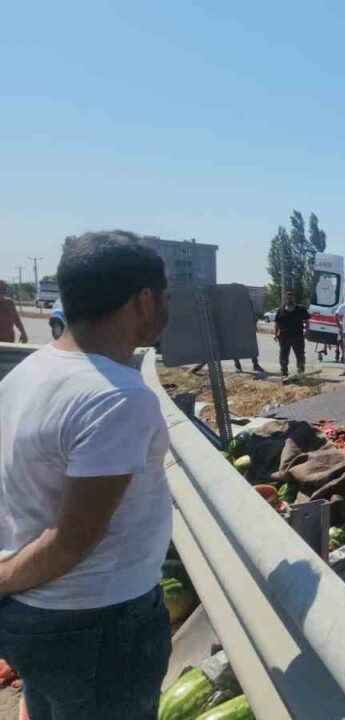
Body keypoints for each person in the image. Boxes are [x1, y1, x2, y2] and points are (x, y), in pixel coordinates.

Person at [0, 233, 173, 719]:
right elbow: (72, 541)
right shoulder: (118, 397)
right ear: (143, 300)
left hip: (35, 620)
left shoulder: (29, 371)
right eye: (165, 296)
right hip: (97, 626)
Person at [273, 290, 310, 376]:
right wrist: (275, 333)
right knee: (283, 355)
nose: (289, 299)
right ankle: (284, 372)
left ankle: (300, 372)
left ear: (294, 298)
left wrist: (307, 331)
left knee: (300, 355)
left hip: (298, 336)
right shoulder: (281, 310)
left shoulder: (301, 309)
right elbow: (277, 322)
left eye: (291, 297)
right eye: (288, 297)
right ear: (285, 298)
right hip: (283, 337)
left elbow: (307, 321)